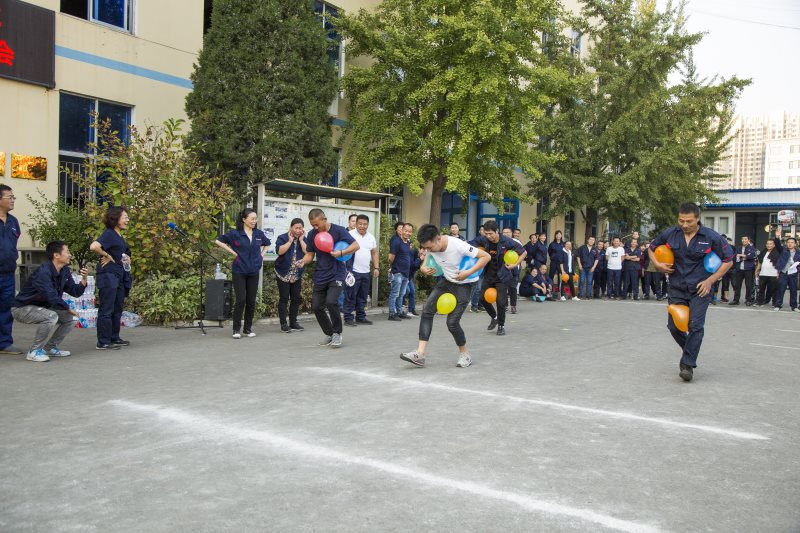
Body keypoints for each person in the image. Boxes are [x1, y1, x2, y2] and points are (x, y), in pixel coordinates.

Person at [649, 202, 733, 382]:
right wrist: (657, 264)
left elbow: (729, 260)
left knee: (695, 326)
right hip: (677, 287)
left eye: (689, 221)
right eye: (681, 220)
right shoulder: (671, 233)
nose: (685, 224)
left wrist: (710, 280)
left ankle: (687, 364)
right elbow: (651, 247)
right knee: (673, 326)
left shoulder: (711, 237)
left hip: (700, 289)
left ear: (697, 219)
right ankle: (690, 350)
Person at [399, 224, 490, 368]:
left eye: (430, 247)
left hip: (465, 284)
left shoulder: (458, 245)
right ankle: (420, 354)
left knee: (452, 322)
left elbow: (486, 256)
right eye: (425, 247)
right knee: (427, 311)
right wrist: (423, 267)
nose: (428, 250)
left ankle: (465, 354)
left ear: (438, 238)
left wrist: (468, 272)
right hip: (447, 281)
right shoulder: (430, 247)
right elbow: (428, 257)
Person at [10, 241, 90, 361]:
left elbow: (75, 292)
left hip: (43, 307)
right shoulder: (43, 272)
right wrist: (68, 308)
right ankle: (34, 351)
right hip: (22, 309)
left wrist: (84, 278)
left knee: (71, 318)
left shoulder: (64, 270)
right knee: (51, 316)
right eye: (67, 252)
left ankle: (50, 348)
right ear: (56, 255)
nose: (70, 255)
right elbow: (52, 297)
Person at [302, 208, 359, 348]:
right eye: (313, 225)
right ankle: (329, 333)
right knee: (316, 306)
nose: (315, 228)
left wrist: (341, 252)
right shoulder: (312, 234)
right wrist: (302, 261)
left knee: (331, 302)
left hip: (336, 273)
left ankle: (337, 333)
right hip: (321, 274)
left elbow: (356, 245)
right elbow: (310, 254)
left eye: (317, 224)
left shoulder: (339, 230)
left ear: (324, 219)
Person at [215, 208, 270, 339]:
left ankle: (248, 329)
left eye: (255, 219)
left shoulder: (258, 234)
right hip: (239, 271)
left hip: (254, 271)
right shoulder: (235, 233)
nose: (254, 221)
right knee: (241, 300)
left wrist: (261, 256)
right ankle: (236, 329)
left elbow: (267, 243)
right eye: (252, 219)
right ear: (244, 219)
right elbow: (218, 241)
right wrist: (233, 253)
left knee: (251, 301)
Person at [471, 220, 525, 335]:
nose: (488, 236)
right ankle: (494, 317)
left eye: (490, 233)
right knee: (482, 299)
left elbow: (523, 252)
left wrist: (515, 264)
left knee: (501, 302)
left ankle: (501, 325)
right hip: (489, 275)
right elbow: (469, 244)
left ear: (496, 231)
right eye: (486, 234)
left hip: (502, 276)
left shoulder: (507, 241)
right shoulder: (484, 239)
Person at [90, 206, 132, 350]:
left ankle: (114, 337)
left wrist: (126, 258)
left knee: (117, 308)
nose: (127, 220)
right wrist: (106, 255)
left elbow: (121, 253)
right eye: (125, 217)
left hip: (119, 275)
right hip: (108, 275)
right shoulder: (109, 233)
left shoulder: (118, 235)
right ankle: (103, 341)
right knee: (107, 308)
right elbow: (94, 246)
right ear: (115, 218)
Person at [343, 214, 378, 326]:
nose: (362, 226)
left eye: (365, 224)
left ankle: (360, 317)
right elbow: (342, 250)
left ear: (368, 225)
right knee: (350, 295)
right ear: (356, 224)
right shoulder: (349, 235)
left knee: (363, 296)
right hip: (352, 271)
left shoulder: (371, 237)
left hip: (366, 272)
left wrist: (376, 267)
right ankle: (348, 318)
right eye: (360, 224)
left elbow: (374, 252)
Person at [274, 218, 308, 333]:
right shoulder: (282, 237)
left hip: (296, 273)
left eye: (300, 228)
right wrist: (289, 241)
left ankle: (293, 322)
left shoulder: (303, 239)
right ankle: (284, 324)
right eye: (296, 228)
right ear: (291, 228)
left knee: (296, 299)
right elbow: (279, 251)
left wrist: (302, 240)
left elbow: (307, 252)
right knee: (284, 298)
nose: (298, 230)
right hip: (283, 272)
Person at [0, 184, 22, 355]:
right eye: (10, 197)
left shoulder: (13, 221)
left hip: (7, 274)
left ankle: (4, 343)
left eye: (13, 197)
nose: (13, 200)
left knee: (6, 309)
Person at [388, 221, 412, 321]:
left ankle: (400, 312)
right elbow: (390, 258)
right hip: (397, 272)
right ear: (401, 230)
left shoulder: (408, 242)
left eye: (409, 231)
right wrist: (392, 268)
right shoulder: (396, 241)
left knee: (401, 294)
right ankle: (392, 314)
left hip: (406, 273)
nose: (407, 233)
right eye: (405, 230)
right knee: (395, 294)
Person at [502, 227, 526, 313]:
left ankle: (513, 306)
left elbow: (522, 254)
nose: (506, 234)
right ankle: (504, 305)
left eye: (508, 232)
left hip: (514, 268)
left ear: (511, 233)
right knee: (503, 288)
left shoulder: (516, 242)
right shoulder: (500, 243)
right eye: (504, 232)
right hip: (503, 268)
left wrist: (516, 264)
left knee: (512, 288)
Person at [729, 235, 757, 306]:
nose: (744, 240)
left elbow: (752, 256)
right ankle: (736, 300)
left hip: (748, 269)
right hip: (739, 269)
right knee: (737, 285)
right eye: (743, 239)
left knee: (748, 285)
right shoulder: (738, 248)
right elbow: (735, 257)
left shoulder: (752, 248)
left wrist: (743, 256)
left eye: (745, 239)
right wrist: (744, 256)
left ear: (748, 240)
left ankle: (748, 300)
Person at [774, 233, 800, 311]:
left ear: (795, 244)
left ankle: (794, 306)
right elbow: (778, 244)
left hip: (793, 274)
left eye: (792, 242)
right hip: (783, 273)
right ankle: (778, 305)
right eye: (788, 242)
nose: (790, 244)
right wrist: (777, 237)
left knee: (793, 290)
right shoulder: (783, 250)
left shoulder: (798, 253)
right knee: (781, 289)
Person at [755, 236, 781, 307]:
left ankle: (774, 303)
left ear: (774, 245)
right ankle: (760, 302)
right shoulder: (764, 252)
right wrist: (757, 271)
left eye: (770, 244)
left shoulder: (777, 252)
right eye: (767, 244)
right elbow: (760, 262)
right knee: (761, 289)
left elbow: (780, 263)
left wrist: (777, 237)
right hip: (763, 273)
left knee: (774, 290)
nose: (768, 245)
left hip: (774, 274)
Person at [469, 226, 487, 313]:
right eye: (482, 230)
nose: (484, 232)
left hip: (486, 268)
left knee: (483, 288)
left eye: (485, 230)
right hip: (478, 267)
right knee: (478, 288)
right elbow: (469, 245)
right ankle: (474, 306)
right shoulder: (476, 240)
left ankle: (480, 305)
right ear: (480, 231)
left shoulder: (490, 240)